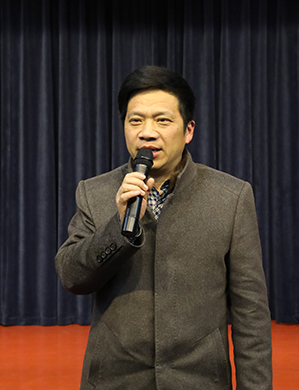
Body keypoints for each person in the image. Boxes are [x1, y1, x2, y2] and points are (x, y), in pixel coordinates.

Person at [55, 66, 272, 389]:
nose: (147, 132)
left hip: (199, 380)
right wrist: (118, 226)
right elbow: (72, 277)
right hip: (116, 380)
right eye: (135, 121)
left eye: (162, 120)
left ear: (188, 130)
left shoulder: (231, 197)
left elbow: (250, 311)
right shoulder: (95, 192)